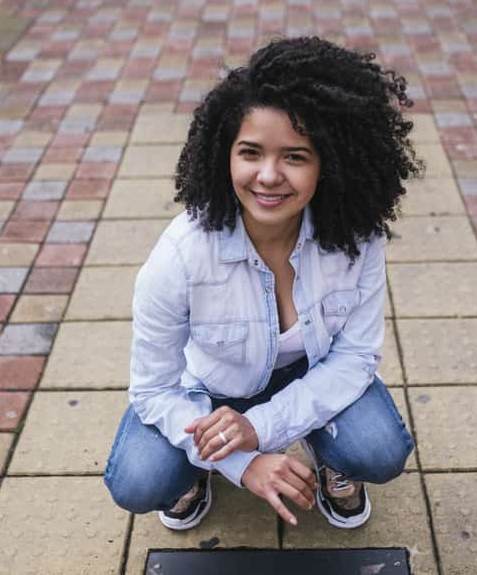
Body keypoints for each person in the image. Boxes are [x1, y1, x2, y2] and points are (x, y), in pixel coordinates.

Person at [104, 36, 423, 531]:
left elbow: (355, 358)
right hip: (210, 392)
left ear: (329, 163)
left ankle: (334, 459)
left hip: (311, 373)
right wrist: (239, 461)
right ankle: (194, 471)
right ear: (225, 155)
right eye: (250, 152)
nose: (269, 175)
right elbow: (154, 390)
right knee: (140, 481)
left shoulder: (356, 238)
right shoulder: (180, 257)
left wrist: (260, 427)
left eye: (295, 156)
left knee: (378, 451)